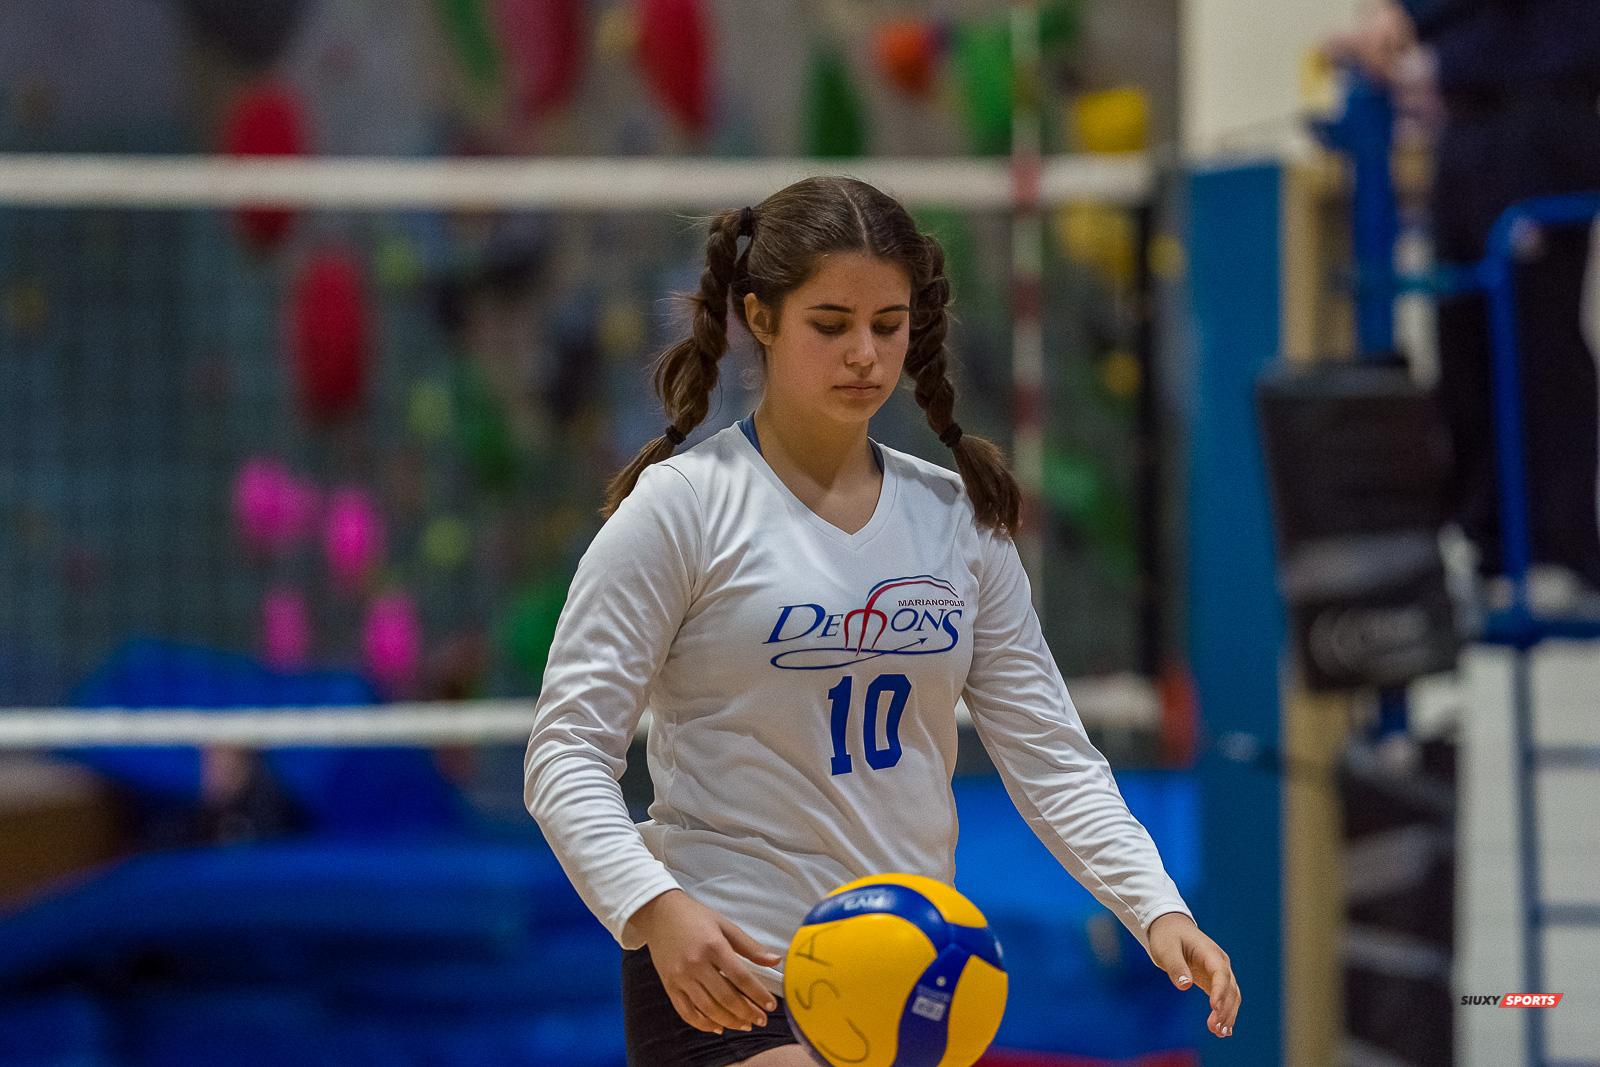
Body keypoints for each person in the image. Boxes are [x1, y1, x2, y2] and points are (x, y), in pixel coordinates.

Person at [523, 177, 1240, 1067]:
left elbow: (1052, 757)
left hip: (915, 975)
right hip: (732, 969)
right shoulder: (680, 510)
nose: (864, 352)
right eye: (831, 324)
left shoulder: (957, 517)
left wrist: (1156, 905)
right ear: (761, 318)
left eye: (887, 325)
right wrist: (653, 906)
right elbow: (563, 754)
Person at [1328, 0, 1600, 614]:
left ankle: (1556, 547)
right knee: (1464, 339)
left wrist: (1403, 18)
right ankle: (1491, 546)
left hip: (1539, 117)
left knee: (1534, 334)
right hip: (1471, 121)